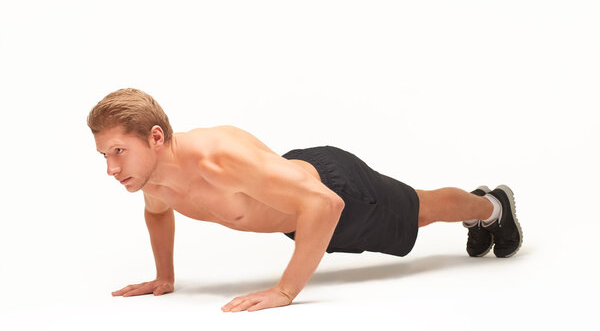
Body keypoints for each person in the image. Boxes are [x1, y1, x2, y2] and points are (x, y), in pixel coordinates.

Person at [87, 88, 523, 313]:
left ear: (156, 138)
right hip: (296, 195)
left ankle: (492, 207)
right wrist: (165, 277)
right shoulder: (151, 178)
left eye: (119, 152)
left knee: (421, 208)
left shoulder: (218, 161)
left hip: (337, 191)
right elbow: (157, 214)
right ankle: (485, 208)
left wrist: (285, 290)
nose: (111, 168)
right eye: (104, 155)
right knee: (417, 207)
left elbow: (325, 205)